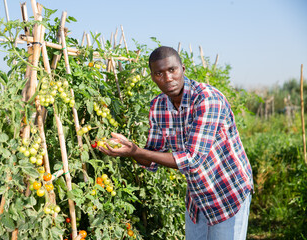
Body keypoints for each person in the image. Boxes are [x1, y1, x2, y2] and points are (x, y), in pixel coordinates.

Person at [99, 46, 254, 240]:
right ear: (153, 77)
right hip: (198, 197)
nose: (167, 78)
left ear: (183, 69)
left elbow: (192, 160)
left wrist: (135, 151)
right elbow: (151, 157)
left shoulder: (207, 99)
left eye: (172, 70)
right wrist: (130, 149)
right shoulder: (158, 106)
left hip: (228, 192)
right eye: (159, 73)